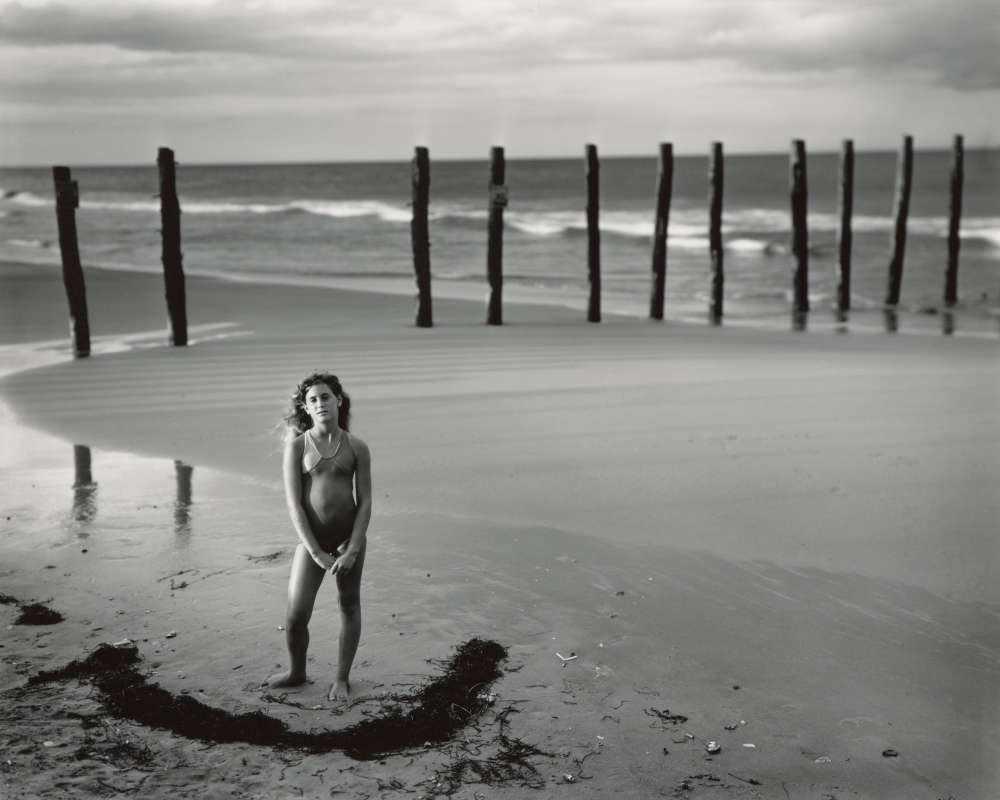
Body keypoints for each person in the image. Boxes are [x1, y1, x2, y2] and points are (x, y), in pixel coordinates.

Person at [267, 372, 372, 702]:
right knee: (296, 616)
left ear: (338, 400)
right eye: (312, 399)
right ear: (306, 407)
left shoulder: (357, 447)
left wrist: (352, 549)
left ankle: (341, 678)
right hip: (312, 543)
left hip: (347, 541)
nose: (320, 403)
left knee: (349, 605)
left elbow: (365, 501)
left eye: (325, 397)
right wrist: (314, 552)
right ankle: (297, 671)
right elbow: (294, 504)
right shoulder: (297, 447)